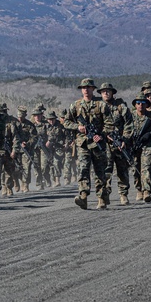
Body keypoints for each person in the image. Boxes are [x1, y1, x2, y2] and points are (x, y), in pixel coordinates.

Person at [63, 78, 115, 210]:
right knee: (83, 169)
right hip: (83, 143)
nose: (85, 90)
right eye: (83, 88)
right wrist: (77, 127)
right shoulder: (76, 105)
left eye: (88, 87)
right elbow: (66, 122)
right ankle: (83, 196)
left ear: (93, 89)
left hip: (98, 144)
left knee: (100, 171)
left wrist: (101, 135)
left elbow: (110, 124)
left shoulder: (101, 105)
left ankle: (101, 198)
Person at [125, 94, 151, 202]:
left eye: (143, 103)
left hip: (148, 145)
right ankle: (139, 190)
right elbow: (126, 130)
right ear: (135, 105)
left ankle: (146, 190)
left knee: (145, 168)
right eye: (138, 103)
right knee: (135, 169)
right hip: (134, 146)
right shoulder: (130, 116)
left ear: (146, 104)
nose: (140, 105)